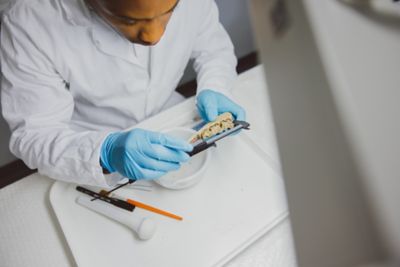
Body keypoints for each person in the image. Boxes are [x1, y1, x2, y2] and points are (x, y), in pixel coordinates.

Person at [0, 0, 245, 187]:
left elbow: (213, 49)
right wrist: (104, 153)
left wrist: (216, 86)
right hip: (89, 140)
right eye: (128, 20)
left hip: (170, 115)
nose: (154, 36)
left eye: (171, 10)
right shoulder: (28, 20)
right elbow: (35, 135)